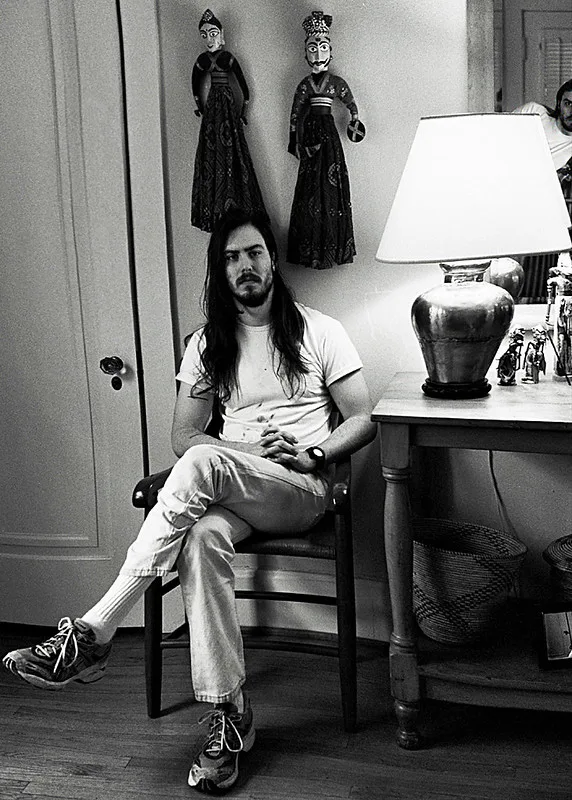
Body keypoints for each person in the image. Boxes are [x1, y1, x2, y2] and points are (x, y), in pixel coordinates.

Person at [3, 207, 376, 794]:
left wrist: (315, 454)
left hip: (298, 488)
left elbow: (363, 418)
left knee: (202, 462)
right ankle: (231, 715)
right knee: (199, 537)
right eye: (231, 258)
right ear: (219, 271)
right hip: (235, 485)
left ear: (272, 260)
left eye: (253, 252)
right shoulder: (208, 344)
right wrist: (239, 448)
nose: (244, 265)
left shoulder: (319, 330)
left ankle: (97, 628)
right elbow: (184, 434)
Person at [287, 11, 365, 270]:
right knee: (309, 187)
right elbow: (295, 113)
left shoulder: (336, 83)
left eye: (323, 48)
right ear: (305, 52)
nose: (318, 54)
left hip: (330, 137)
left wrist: (355, 121)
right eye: (313, 48)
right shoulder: (305, 85)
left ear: (330, 51)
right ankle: (310, 247)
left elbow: (351, 104)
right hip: (311, 135)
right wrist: (293, 140)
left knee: (332, 187)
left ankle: (333, 245)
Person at [191, 9, 267, 232]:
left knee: (234, 151)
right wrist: (200, 106)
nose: (209, 39)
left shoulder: (227, 58)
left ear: (221, 35)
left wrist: (243, 110)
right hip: (213, 110)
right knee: (212, 152)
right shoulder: (203, 60)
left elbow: (244, 86)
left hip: (227, 106)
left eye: (213, 33)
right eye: (204, 35)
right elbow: (195, 83)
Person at [512, 78, 572, 300]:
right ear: (558, 104)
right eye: (568, 103)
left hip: (541, 210)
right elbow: (496, 129)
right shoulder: (535, 113)